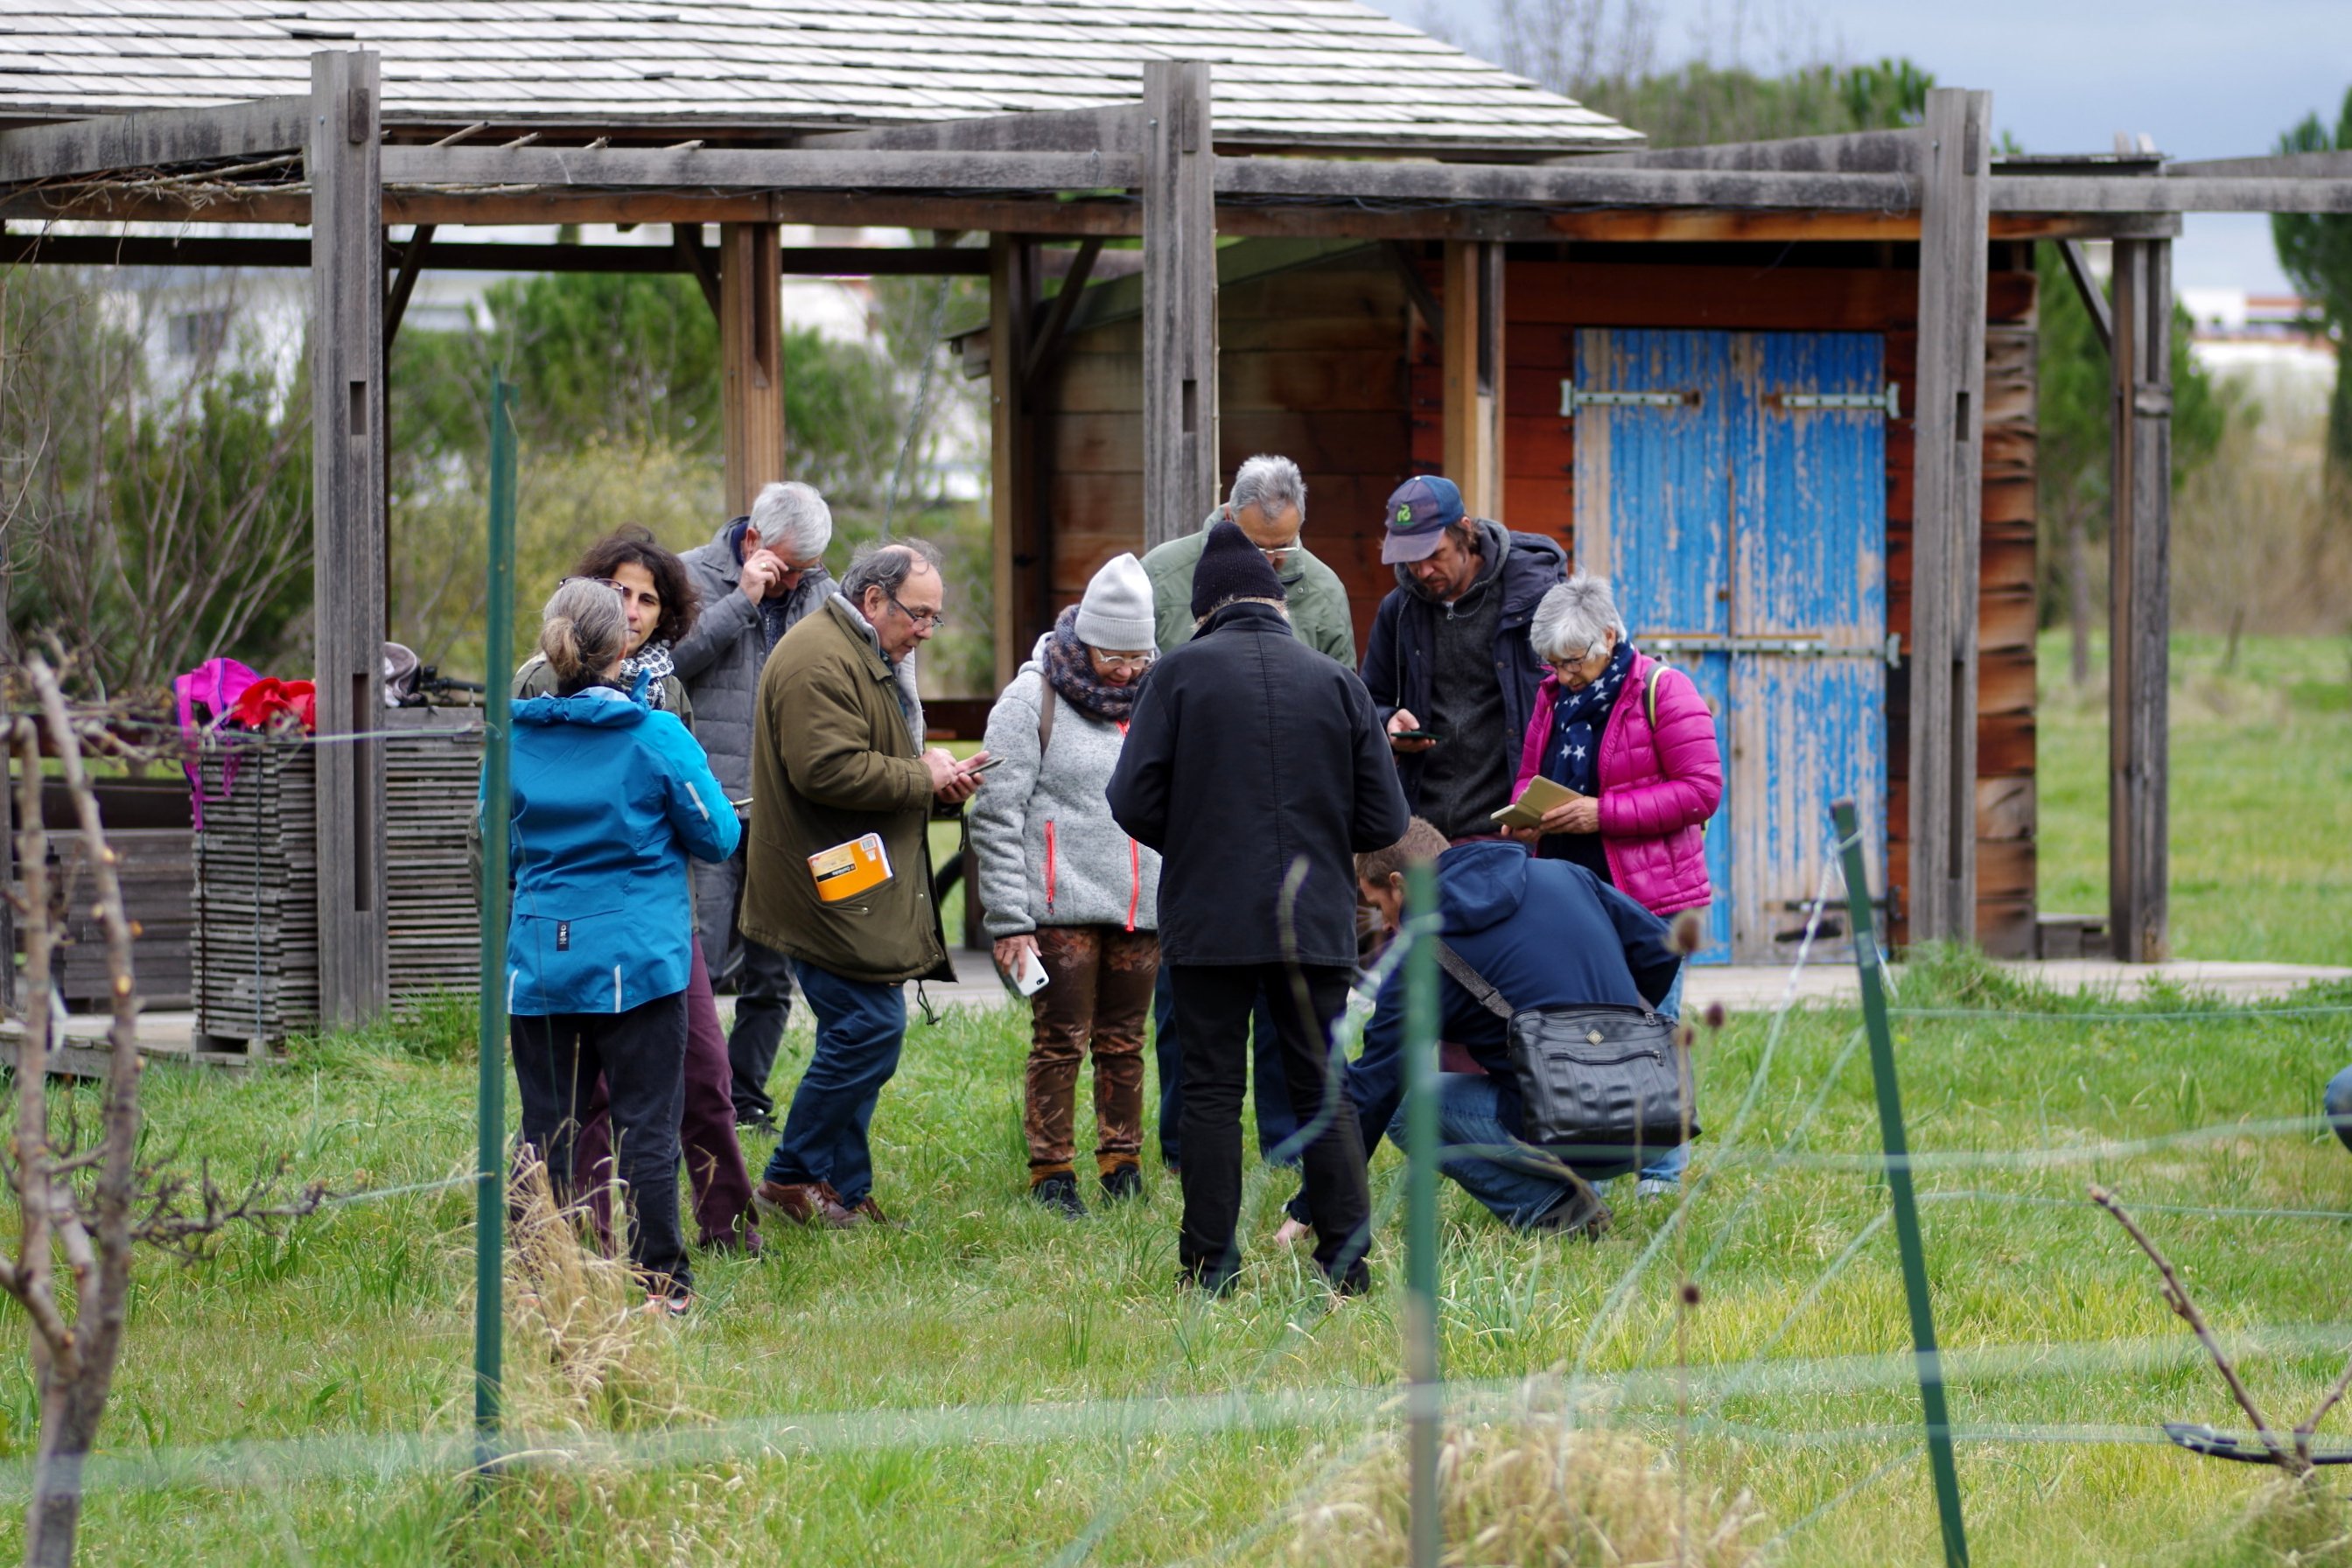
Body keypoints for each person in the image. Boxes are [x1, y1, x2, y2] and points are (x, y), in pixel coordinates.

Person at [1109, 521, 1409, 1295]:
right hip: (1313, 922)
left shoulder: (1176, 676)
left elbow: (1131, 799)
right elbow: (1385, 823)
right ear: (1276, 603)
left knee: (1209, 1090)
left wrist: (1195, 840)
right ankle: (1347, 1265)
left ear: (1206, 609)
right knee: (1322, 1084)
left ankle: (1210, 1270)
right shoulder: (1336, 682)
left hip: (1209, 918)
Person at [508, 530, 763, 1256]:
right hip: (637, 943)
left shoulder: (515, 735)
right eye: (622, 596)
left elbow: (498, 839)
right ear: (610, 641)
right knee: (641, 1122)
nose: (635, 610)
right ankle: (660, 1279)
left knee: (551, 1123)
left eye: (648, 599)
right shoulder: (653, 730)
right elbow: (715, 834)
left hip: (548, 944)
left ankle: (547, 1273)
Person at [1281, 821, 1681, 1245]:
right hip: (1658, 1115)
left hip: (1578, 1129)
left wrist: (1311, 1205)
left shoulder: (1422, 951)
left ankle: (1562, 1214)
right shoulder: (1562, 873)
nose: (1387, 926)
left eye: (1380, 906)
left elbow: (1373, 1092)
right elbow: (1662, 946)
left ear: (1399, 884)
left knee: (1407, 1106)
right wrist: (1619, 1032)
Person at [745, 540, 986, 1229]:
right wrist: (923, 776)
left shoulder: (863, 652)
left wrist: (939, 782)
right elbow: (826, 770)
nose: (927, 632)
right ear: (874, 599)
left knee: (858, 1032)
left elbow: (876, 760)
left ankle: (843, 1192)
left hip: (851, 883)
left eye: (936, 618)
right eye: (920, 615)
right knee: (868, 1029)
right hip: (818, 886)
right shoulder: (818, 658)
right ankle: (790, 1177)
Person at [1138, 456, 1349, 1177]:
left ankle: (1286, 1152)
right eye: (1261, 546)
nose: (1274, 561)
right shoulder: (1161, 574)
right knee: (1186, 1008)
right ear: (1228, 518)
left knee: (1287, 1014)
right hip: (1202, 832)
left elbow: (1347, 708)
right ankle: (1180, 1149)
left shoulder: (1322, 589)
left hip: (1295, 838)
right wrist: (1184, 828)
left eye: (1285, 547)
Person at [1506, 572, 1720, 1196]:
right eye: (1552, 663)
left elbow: (1701, 790)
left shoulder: (1664, 690)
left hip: (1653, 900)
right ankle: (1588, 1170)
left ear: (1609, 637)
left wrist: (1602, 813)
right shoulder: (1553, 696)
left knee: (1654, 1029)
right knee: (1579, 1034)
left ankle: (1658, 1175)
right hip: (1570, 894)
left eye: (1573, 662)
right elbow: (1528, 774)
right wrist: (1524, 814)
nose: (1564, 675)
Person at [970, 553, 1165, 1217]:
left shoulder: (1160, 697)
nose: (1129, 669)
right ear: (1085, 641)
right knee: (1061, 1042)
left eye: (1140, 655)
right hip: (1058, 909)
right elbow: (995, 815)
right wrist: (1009, 919)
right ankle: (1052, 1173)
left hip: (1143, 906)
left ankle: (1123, 1162)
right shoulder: (1032, 700)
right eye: (1116, 655)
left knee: (1126, 1042)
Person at [672, 480, 837, 1129]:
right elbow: (666, 667)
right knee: (700, 968)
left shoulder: (820, 593)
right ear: (752, 543)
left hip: (782, 815)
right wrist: (742, 601)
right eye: (791, 568)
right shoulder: (684, 578)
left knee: (773, 974)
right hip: (707, 808)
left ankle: (744, 1100)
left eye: (811, 569)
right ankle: (689, 1101)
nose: (800, 581)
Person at [1361, 475, 1566, 841]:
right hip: (1423, 837)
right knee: (1420, 902)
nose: (1422, 571)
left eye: (1433, 555)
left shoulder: (1534, 597)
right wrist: (1388, 722)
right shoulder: (1400, 609)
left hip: (1514, 834)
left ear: (1464, 531)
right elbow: (1368, 701)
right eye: (1410, 561)